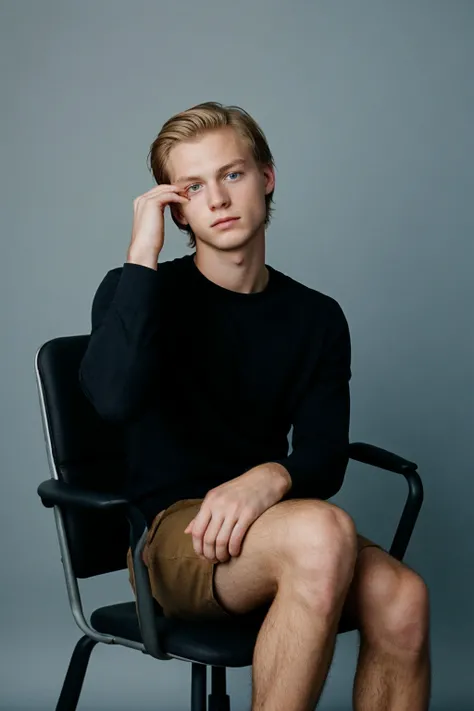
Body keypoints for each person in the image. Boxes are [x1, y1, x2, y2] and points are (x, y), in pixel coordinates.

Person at [78, 102, 431, 711]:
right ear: (176, 207)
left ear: (266, 177)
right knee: (323, 530)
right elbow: (110, 400)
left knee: (403, 597)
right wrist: (141, 254)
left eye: (232, 175)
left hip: (273, 528)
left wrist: (269, 477)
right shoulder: (137, 292)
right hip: (167, 538)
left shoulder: (315, 316)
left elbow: (324, 455)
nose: (216, 198)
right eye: (193, 186)